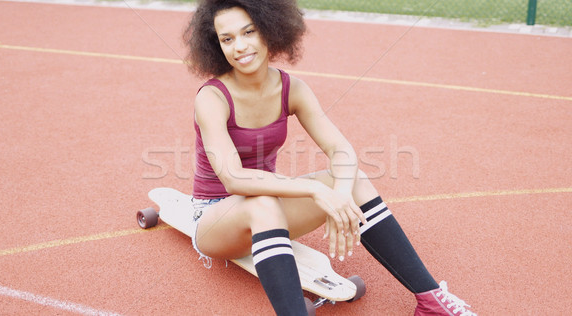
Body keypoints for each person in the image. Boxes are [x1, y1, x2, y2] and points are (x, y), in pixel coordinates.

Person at [183, 0, 477, 315]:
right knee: (264, 202)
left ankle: (430, 301)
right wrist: (316, 190)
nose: (240, 46)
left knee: (353, 181)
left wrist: (338, 195)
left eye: (248, 32)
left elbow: (341, 150)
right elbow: (233, 177)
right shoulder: (212, 97)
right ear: (217, 45)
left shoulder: (290, 88)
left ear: (269, 31)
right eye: (227, 39)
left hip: (268, 209)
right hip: (215, 219)